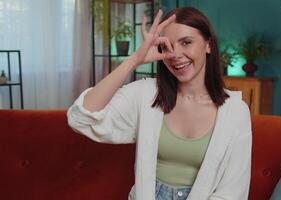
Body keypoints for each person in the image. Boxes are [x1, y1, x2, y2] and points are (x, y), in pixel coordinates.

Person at [67, 7, 252, 200]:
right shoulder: (146, 94)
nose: (175, 55)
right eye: (167, 46)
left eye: (186, 42)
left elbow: (232, 193)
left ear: (209, 45)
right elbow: (80, 118)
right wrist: (135, 60)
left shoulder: (236, 112)